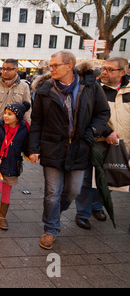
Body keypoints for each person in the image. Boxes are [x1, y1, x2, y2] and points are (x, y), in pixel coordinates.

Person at [28, 51, 110, 250]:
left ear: (70, 65)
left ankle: (55, 211)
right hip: (52, 148)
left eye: (56, 65)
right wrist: (33, 148)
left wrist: (93, 130)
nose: (52, 69)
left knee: (73, 190)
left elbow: (103, 113)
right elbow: (37, 121)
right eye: (51, 65)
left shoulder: (90, 87)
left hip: (80, 148)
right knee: (52, 193)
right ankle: (50, 229)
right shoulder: (44, 90)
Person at [75, 57, 130, 229]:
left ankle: (97, 206)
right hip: (98, 141)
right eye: (103, 68)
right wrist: (106, 131)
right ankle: (82, 212)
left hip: (122, 144)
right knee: (88, 180)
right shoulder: (95, 89)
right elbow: (89, 114)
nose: (104, 72)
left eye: (110, 69)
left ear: (123, 72)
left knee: (111, 176)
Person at [0, 59, 32, 186]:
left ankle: (8, 174)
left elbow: (28, 107)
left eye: (9, 69)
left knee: (10, 151)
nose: (5, 71)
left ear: (16, 70)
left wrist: (27, 126)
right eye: (3, 68)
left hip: (15, 127)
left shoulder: (24, 86)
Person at [0, 102, 31, 230]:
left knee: (7, 191)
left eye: (10, 114)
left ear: (18, 117)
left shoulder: (23, 131)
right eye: (5, 113)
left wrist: (31, 154)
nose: (6, 116)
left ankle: (2, 217)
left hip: (12, 166)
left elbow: (26, 145)